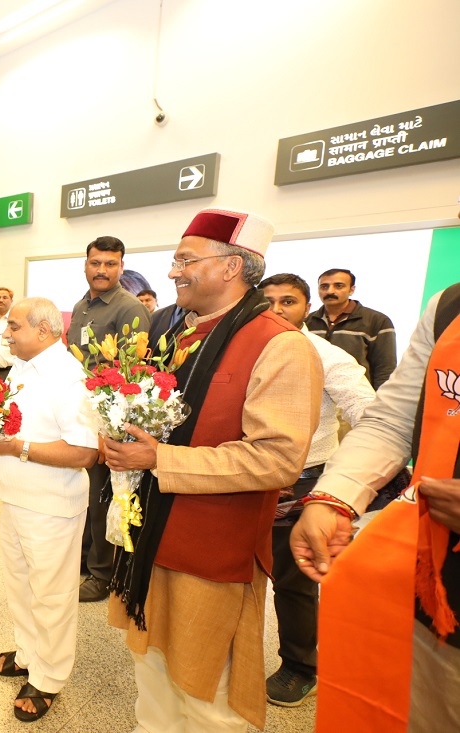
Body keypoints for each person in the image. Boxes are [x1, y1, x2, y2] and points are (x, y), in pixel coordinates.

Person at [100, 208, 322, 732]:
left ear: (232, 268)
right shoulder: (180, 335)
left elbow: (277, 458)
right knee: (150, 671)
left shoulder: (280, 345)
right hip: (150, 537)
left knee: (207, 696)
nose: (174, 271)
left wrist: (159, 459)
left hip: (210, 548)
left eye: (185, 260)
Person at [291, 282, 460, 733]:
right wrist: (334, 499)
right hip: (434, 578)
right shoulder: (449, 307)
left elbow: (361, 399)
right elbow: (391, 418)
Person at [259, 273, 376, 707]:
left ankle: (300, 667)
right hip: (247, 479)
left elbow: (370, 416)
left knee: (293, 582)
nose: (275, 310)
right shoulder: (252, 349)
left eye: (287, 302)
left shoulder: (326, 356)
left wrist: (344, 487)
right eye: (267, 301)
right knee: (240, 572)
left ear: (306, 308)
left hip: (302, 486)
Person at [0, 297, 98, 722]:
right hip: (15, 499)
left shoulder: (67, 378)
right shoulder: (22, 367)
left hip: (51, 506)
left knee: (51, 594)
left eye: (14, 327)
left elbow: (85, 451)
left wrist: (17, 448)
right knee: (20, 585)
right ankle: (28, 652)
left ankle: (49, 677)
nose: (6, 333)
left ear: (44, 331)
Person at [66, 237, 151, 603]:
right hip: (80, 413)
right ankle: (84, 564)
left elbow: (132, 375)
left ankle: (102, 575)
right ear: (85, 264)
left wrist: (109, 429)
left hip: (108, 418)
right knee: (84, 495)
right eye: (95, 263)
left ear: (121, 267)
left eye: (110, 264)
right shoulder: (82, 306)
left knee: (103, 498)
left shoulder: (129, 309)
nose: (102, 270)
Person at [305, 268, 397, 389]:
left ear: (352, 290)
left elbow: (385, 369)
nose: (330, 291)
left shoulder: (377, 321)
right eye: (324, 287)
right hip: (315, 396)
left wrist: (379, 403)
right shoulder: (306, 322)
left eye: (338, 286)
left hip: (356, 397)